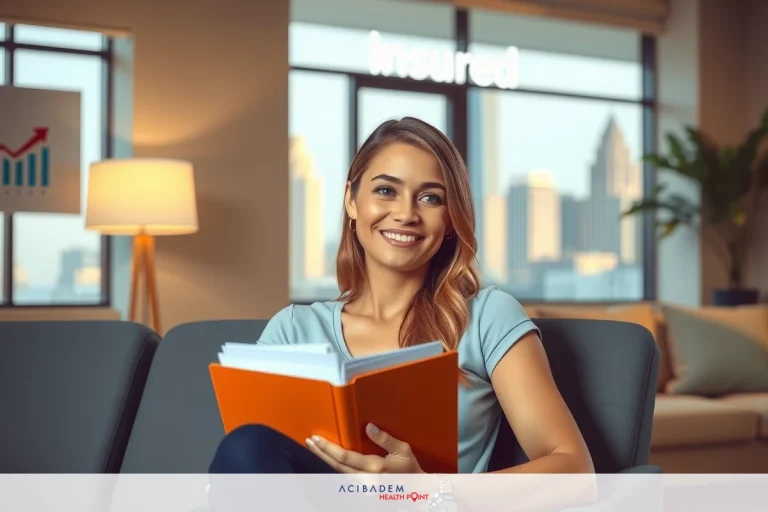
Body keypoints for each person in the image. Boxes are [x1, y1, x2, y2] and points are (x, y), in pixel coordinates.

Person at [209, 117, 594, 475]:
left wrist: (428, 492)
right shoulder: (292, 329)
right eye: (386, 190)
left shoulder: (487, 316)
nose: (406, 213)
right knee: (247, 445)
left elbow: (574, 469)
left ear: (449, 221)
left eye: (430, 198)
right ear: (351, 201)